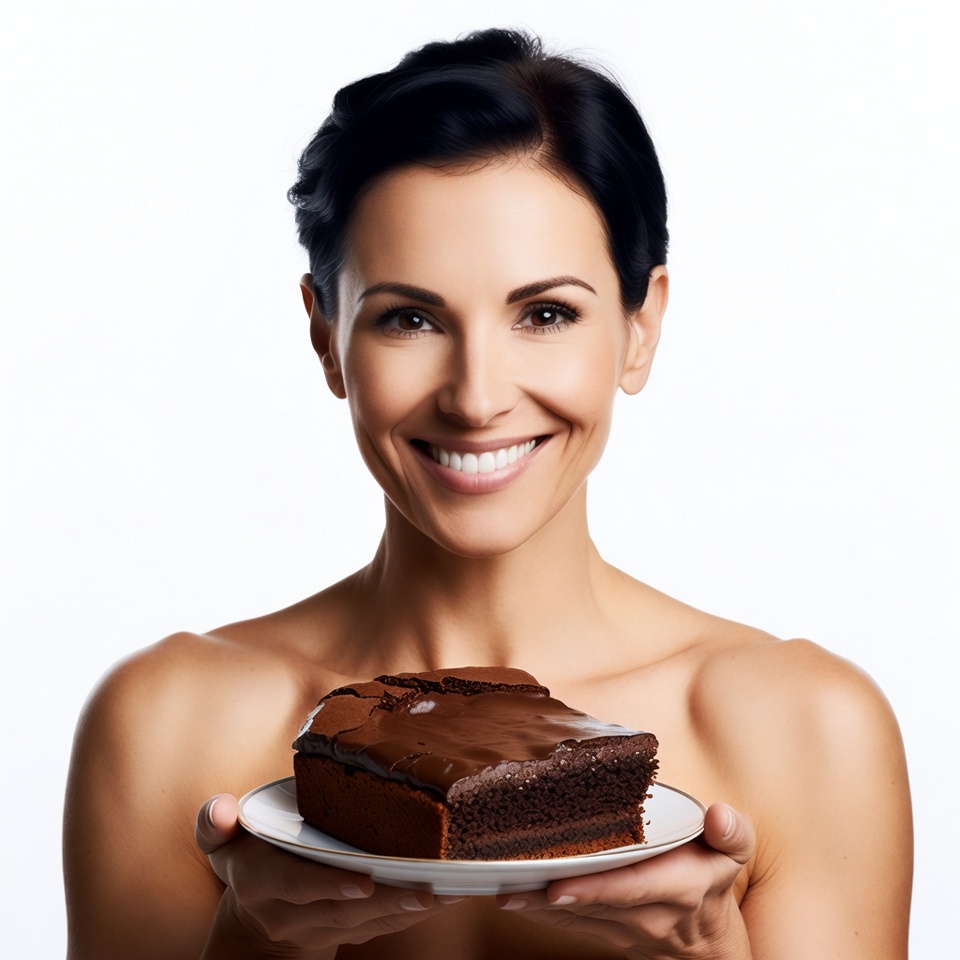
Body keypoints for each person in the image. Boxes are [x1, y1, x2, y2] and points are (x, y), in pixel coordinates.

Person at [63, 28, 912, 960]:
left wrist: (710, 949)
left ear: (640, 326)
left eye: (545, 314)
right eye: (409, 318)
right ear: (324, 337)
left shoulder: (803, 732)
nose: (476, 396)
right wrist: (252, 943)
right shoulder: (167, 726)